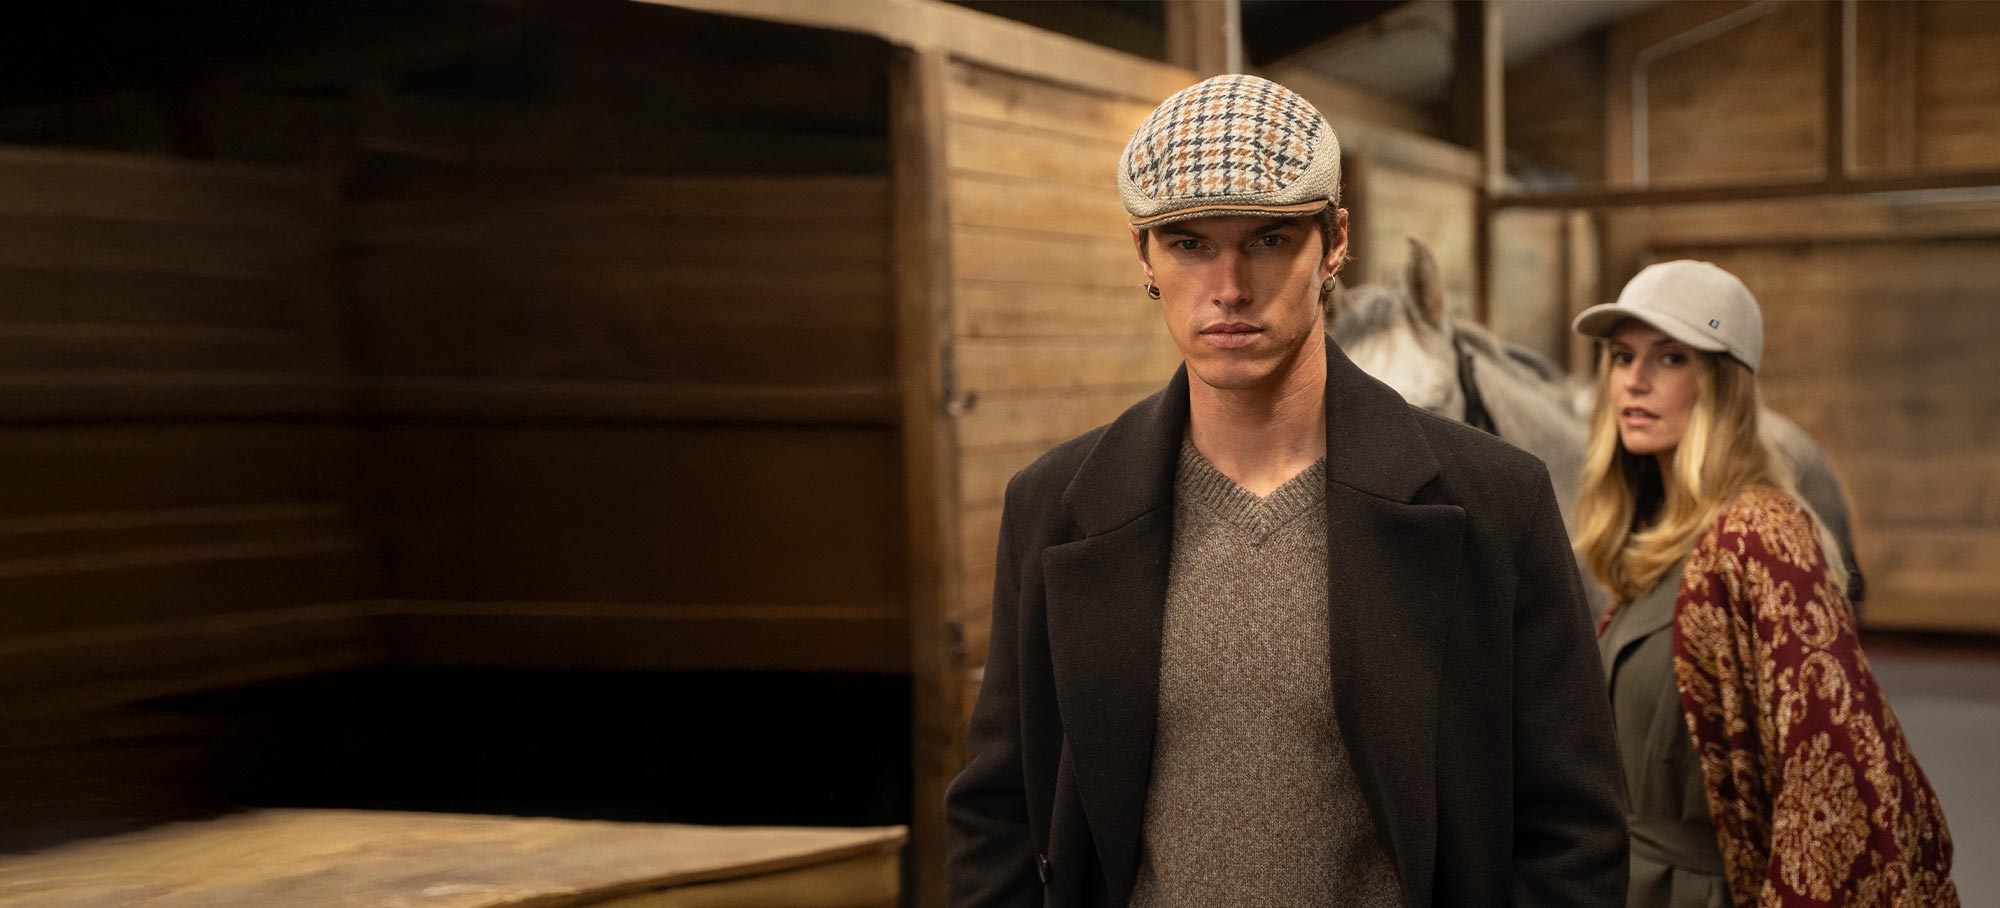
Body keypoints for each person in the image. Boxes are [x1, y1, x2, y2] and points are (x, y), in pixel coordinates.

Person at [944, 73, 1627, 908]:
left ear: (1334, 241)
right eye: (1190, 244)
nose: (1229, 287)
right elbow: (1000, 816)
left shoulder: (1495, 501)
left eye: (1268, 240)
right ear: (1143, 255)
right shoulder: (1054, 507)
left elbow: (1574, 831)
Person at [1573, 261, 1958, 908]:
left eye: (1670, 358)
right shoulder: (1652, 542)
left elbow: (1829, 778)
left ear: (1722, 384)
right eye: (1621, 356)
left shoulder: (1761, 534)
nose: (1634, 380)